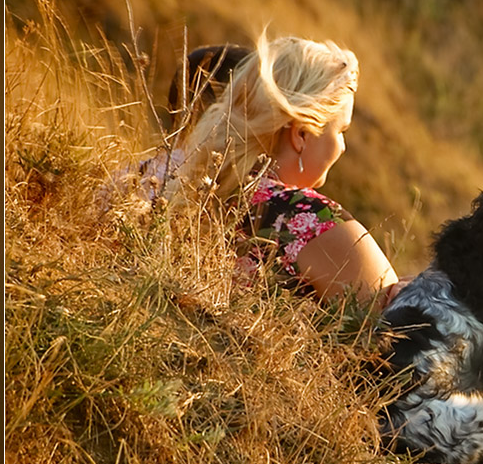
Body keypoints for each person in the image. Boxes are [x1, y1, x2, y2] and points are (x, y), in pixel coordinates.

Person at [164, 32, 402, 307]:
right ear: (301, 134)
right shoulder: (313, 223)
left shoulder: (167, 183)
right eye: (341, 131)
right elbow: (406, 334)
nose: (343, 147)